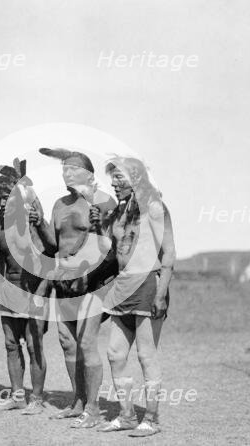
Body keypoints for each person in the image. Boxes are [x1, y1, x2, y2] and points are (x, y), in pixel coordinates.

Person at [30, 148, 117, 428]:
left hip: (92, 282)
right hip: (64, 279)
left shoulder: (103, 202)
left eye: (73, 169)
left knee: (87, 343)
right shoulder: (58, 204)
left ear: (89, 175)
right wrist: (39, 224)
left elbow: (110, 245)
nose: (66, 173)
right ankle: (78, 401)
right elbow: (55, 246)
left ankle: (92, 409)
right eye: (64, 169)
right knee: (68, 343)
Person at [95, 157, 175, 437]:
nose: (115, 183)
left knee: (145, 355)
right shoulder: (120, 212)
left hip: (148, 287)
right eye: (113, 178)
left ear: (137, 178)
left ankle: (151, 419)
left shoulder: (154, 207)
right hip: (123, 287)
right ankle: (127, 415)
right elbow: (112, 253)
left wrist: (161, 294)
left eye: (120, 177)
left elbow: (169, 254)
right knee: (115, 353)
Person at [0, 158, 50, 415]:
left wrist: (40, 296)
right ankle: (17, 395)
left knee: (34, 346)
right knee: (11, 344)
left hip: (33, 291)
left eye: (7, 196)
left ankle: (36, 398)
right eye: (0, 196)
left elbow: (49, 263)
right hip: (8, 291)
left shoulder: (31, 222)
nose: (2, 200)